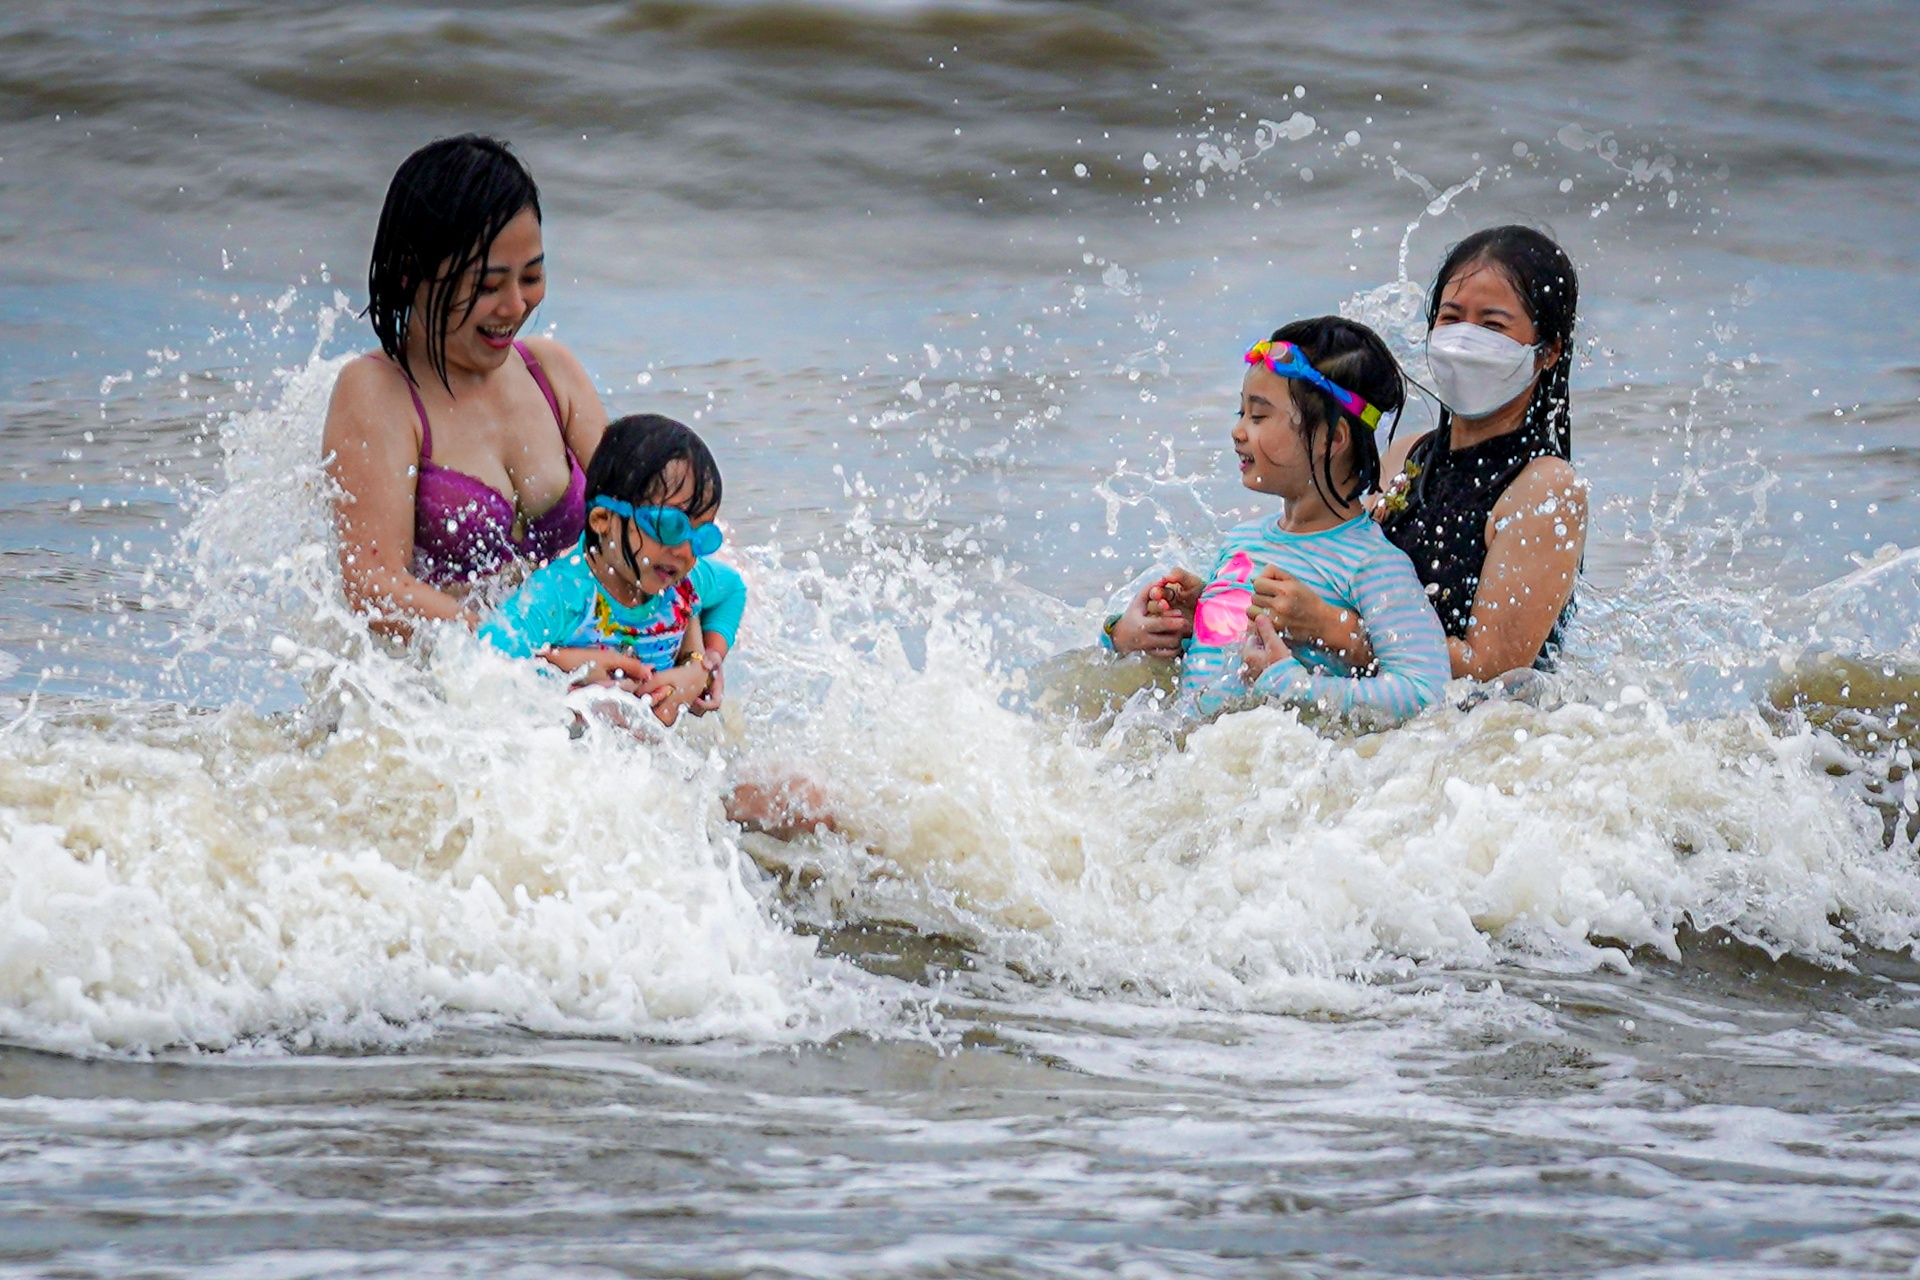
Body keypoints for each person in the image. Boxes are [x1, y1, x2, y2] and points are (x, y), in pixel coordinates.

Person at [320, 134, 742, 707]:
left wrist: (693, 662)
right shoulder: (377, 394)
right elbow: (374, 588)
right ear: (409, 274)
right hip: (445, 709)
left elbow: (651, 530)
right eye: (487, 285)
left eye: (531, 276)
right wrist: (536, 660)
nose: (516, 305)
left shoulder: (552, 373)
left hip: (596, 680)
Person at [1247, 225, 1587, 682]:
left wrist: (1334, 629)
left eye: (1492, 325)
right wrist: (1212, 608)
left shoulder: (1546, 489)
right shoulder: (1406, 455)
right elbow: (1329, 574)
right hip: (1375, 703)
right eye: (1451, 318)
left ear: (1548, 351)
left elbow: (1490, 669)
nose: (1464, 342)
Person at [1105, 317, 1450, 722]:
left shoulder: (1372, 564)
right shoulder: (1241, 542)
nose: (1237, 431)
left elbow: (1427, 691)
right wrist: (1142, 632)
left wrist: (1294, 687)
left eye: (1258, 416)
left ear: (1331, 439)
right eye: (1241, 411)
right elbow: (1211, 669)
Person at [479, 415, 742, 727]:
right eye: (668, 526)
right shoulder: (564, 592)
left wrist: (706, 662)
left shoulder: (682, 584)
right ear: (603, 520)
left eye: (702, 537)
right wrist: (568, 665)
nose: (684, 552)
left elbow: (733, 590)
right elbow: (484, 660)